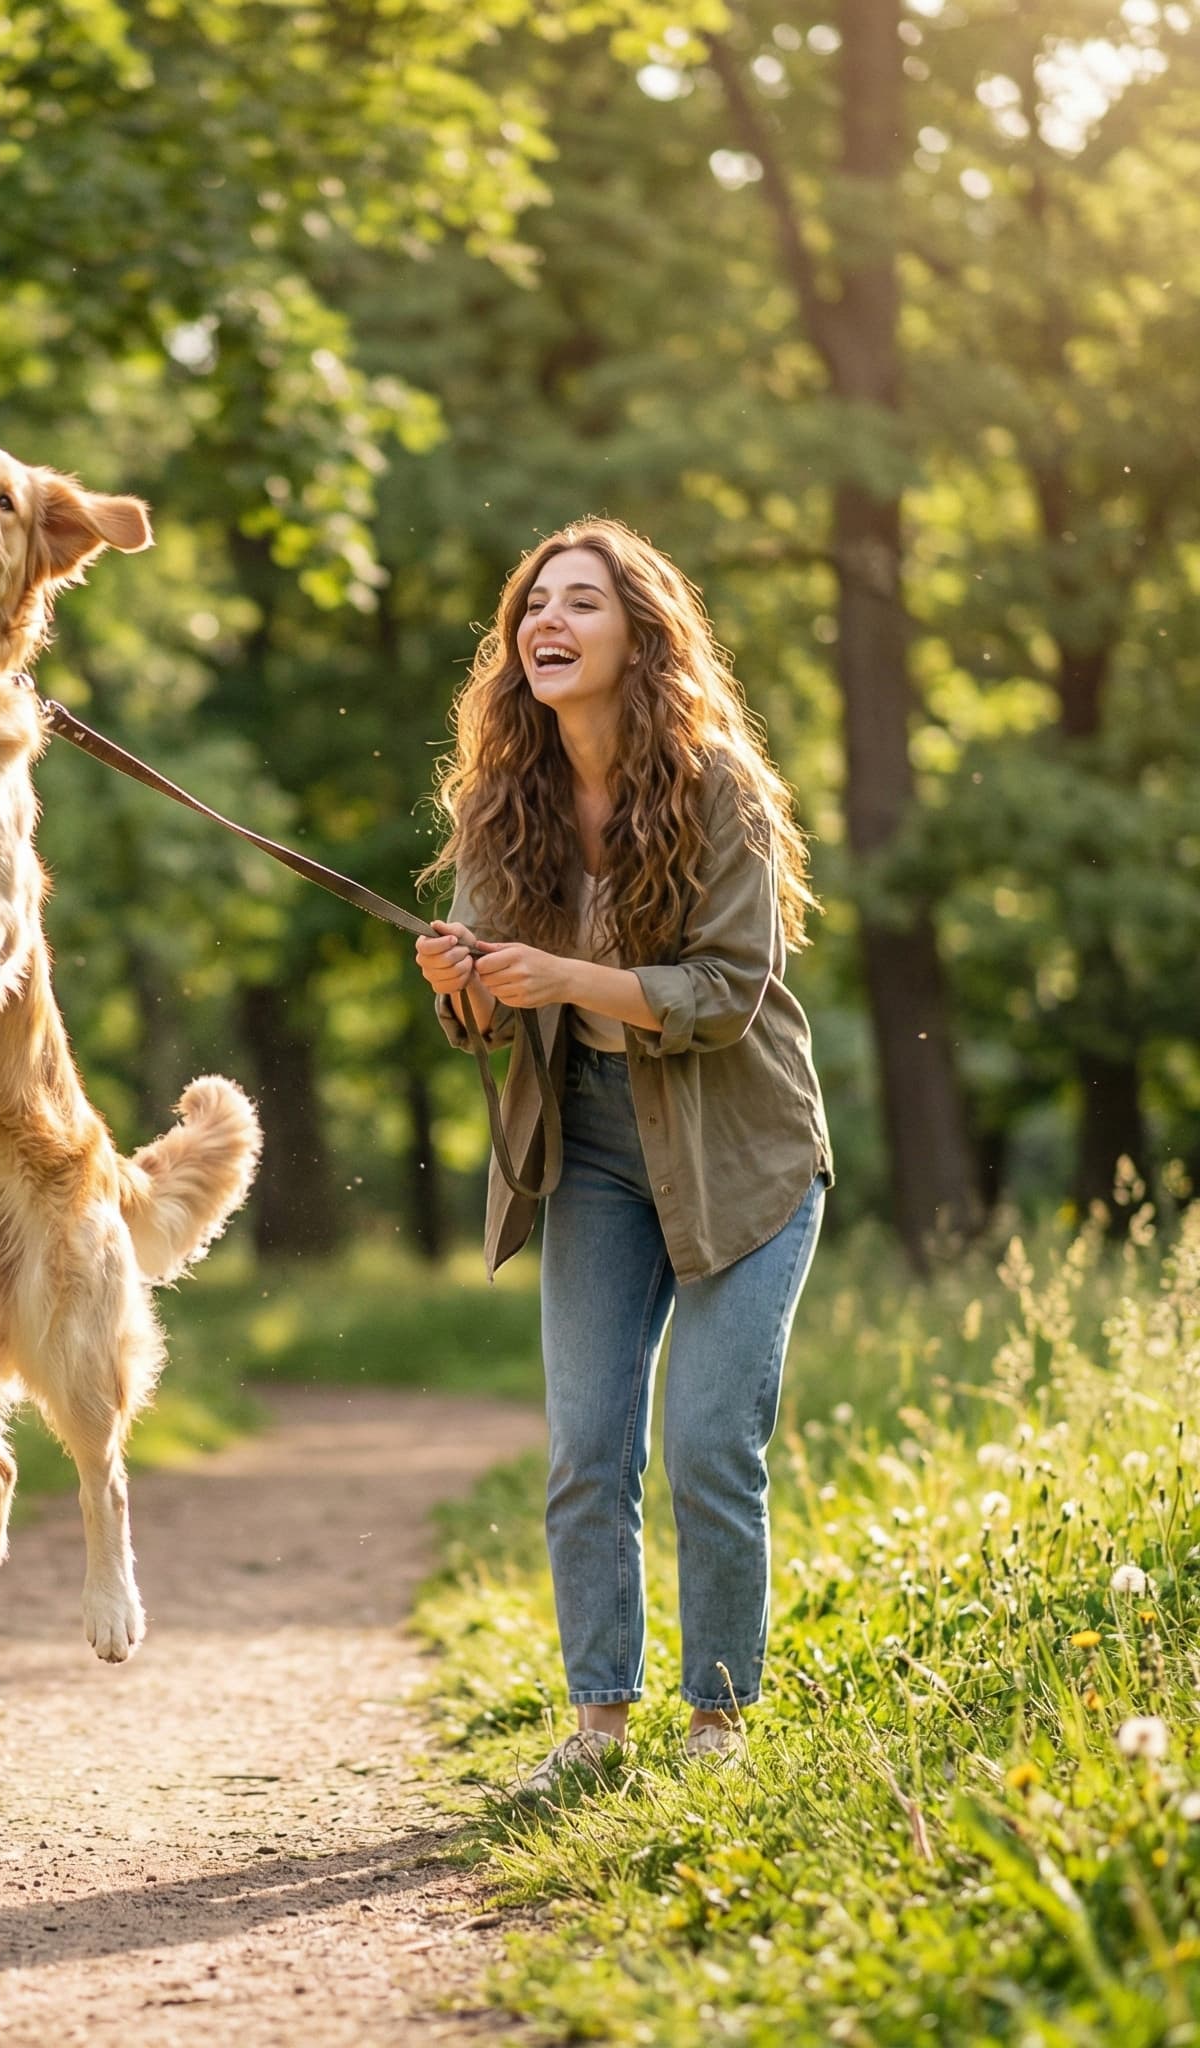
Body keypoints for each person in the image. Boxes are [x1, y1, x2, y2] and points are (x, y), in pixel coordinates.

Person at [415, 518, 832, 1786]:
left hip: (738, 1147)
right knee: (586, 1446)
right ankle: (598, 1729)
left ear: (639, 635)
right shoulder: (505, 799)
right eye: (532, 607)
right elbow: (492, 1008)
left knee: (710, 1438)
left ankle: (716, 1725)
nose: (546, 623)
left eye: (580, 603)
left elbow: (727, 987)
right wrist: (466, 982)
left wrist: (562, 972)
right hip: (588, 1142)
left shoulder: (718, 788)